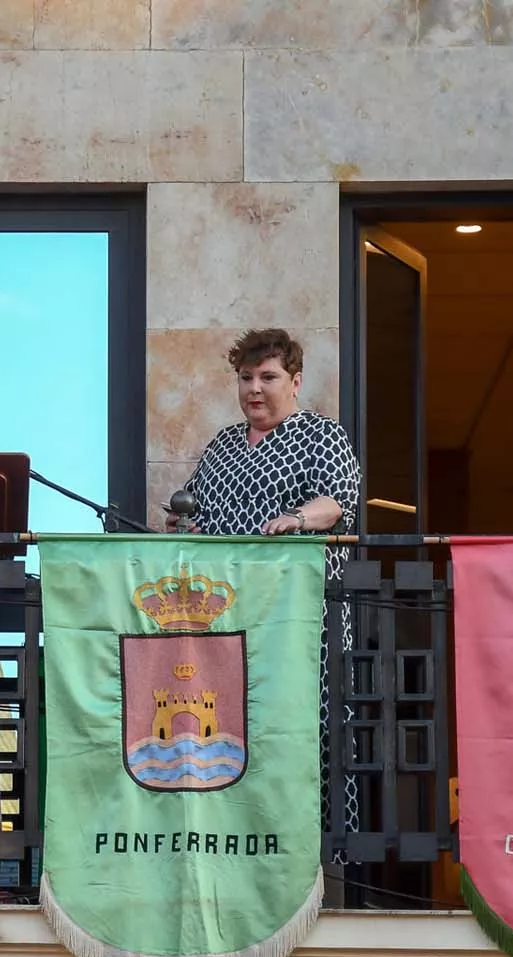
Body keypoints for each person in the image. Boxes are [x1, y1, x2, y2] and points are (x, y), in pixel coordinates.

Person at [164, 327, 362, 853]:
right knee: (232, 734)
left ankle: (324, 856)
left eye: (268, 377)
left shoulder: (322, 435)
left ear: (294, 382)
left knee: (309, 732)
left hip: (304, 620)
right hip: (230, 624)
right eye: (246, 377)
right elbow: (197, 517)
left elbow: (337, 503)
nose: (255, 388)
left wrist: (297, 518)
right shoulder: (223, 446)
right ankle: (242, 847)